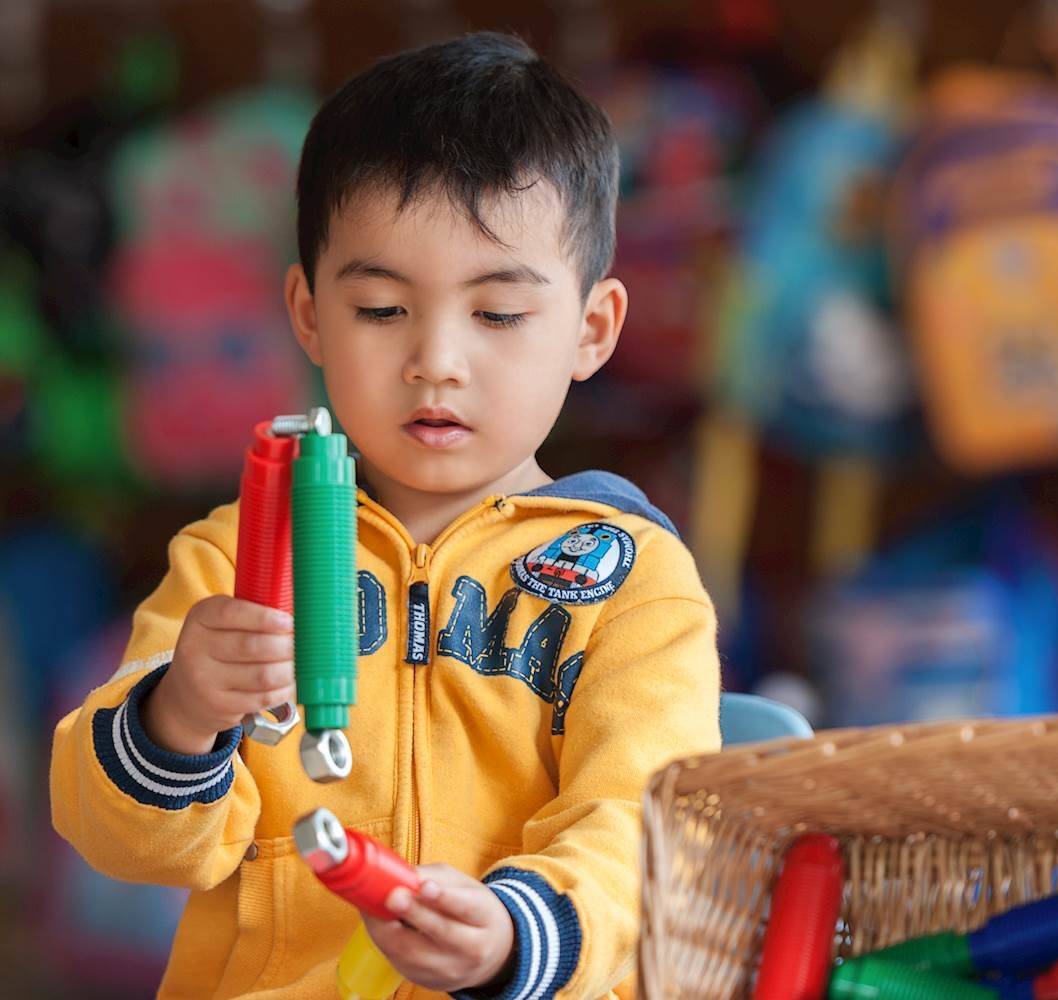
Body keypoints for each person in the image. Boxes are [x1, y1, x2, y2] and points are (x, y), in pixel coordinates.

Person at [51, 31, 722, 999]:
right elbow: (124, 843)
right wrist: (178, 715)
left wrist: (518, 934)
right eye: (380, 310)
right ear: (308, 314)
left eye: (497, 314)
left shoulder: (635, 583)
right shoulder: (238, 560)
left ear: (592, 329)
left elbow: (648, 825)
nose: (435, 361)